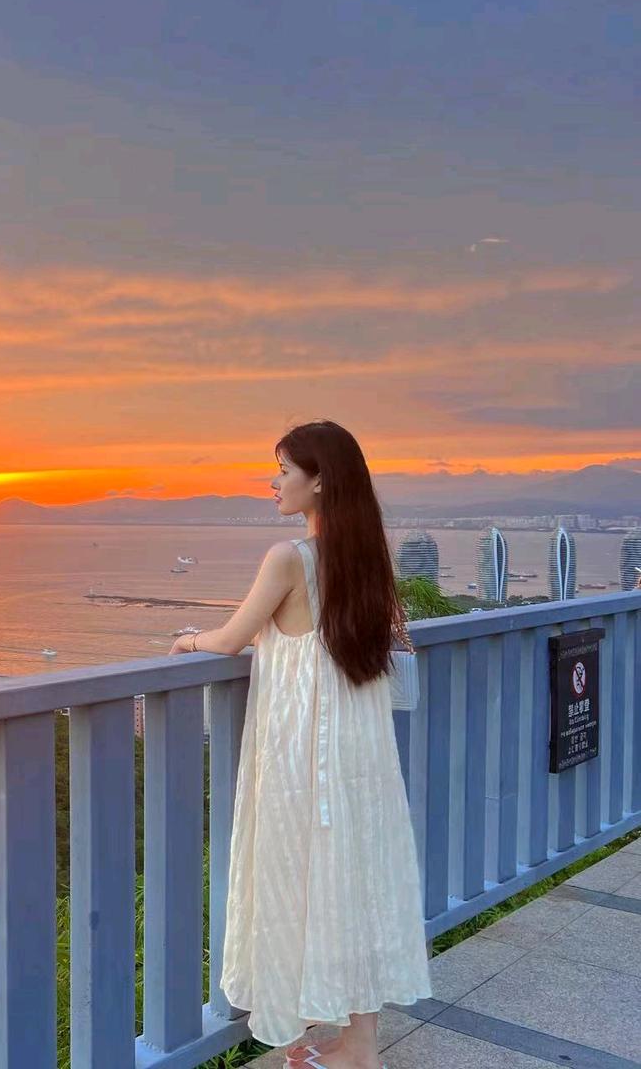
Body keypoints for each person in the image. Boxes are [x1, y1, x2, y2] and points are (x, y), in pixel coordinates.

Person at [169, 420, 431, 1069]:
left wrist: (190, 639)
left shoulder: (289, 558)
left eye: (284, 471)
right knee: (351, 880)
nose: (274, 483)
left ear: (319, 481)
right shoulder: (363, 562)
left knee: (298, 880)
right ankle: (358, 1044)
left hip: (300, 757)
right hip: (358, 753)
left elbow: (232, 638)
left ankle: (334, 1037)